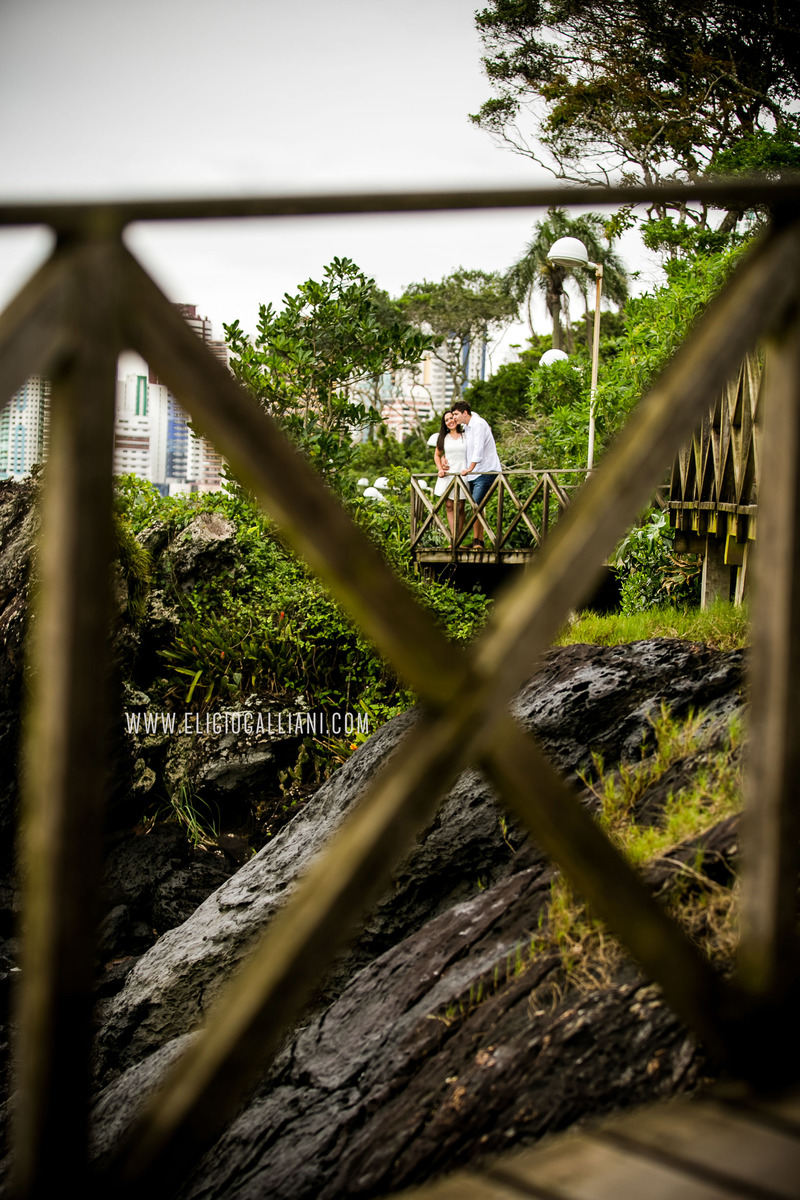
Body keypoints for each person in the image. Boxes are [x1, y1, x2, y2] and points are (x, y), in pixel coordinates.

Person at [450, 399, 501, 550]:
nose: (454, 418)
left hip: (486, 471)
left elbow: (479, 448)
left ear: (465, 413)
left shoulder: (478, 424)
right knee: (477, 507)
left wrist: (470, 468)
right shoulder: (467, 427)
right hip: (474, 474)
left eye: (456, 414)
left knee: (476, 506)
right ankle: (478, 541)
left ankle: (476, 541)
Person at [433, 409, 467, 542]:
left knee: (461, 506)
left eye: (451, 418)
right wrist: (440, 467)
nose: (450, 421)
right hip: (448, 474)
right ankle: (453, 540)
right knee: (449, 505)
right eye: (446, 420)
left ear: (456, 418)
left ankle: (459, 538)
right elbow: (437, 455)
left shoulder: (466, 435)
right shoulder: (443, 438)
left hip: (462, 473)